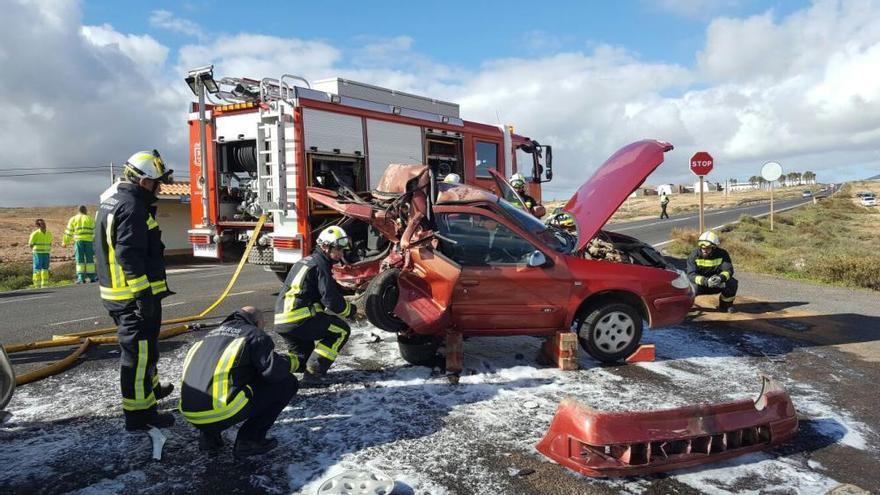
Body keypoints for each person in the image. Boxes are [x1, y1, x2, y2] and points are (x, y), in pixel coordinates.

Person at [94, 150, 176, 431]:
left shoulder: (114, 200)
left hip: (121, 295)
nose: (159, 188)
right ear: (143, 182)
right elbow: (128, 255)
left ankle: (151, 390)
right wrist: (143, 296)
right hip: (132, 298)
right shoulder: (131, 208)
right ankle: (140, 415)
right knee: (138, 358)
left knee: (146, 350)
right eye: (157, 183)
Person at [179, 306, 298, 457]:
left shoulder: (206, 337)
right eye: (263, 325)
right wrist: (291, 362)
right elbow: (274, 373)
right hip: (220, 412)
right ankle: (249, 441)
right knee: (287, 383)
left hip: (190, 413)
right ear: (257, 322)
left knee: (217, 381)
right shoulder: (254, 335)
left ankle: (209, 438)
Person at [274, 226, 357, 378]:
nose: (341, 253)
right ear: (325, 246)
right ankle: (314, 373)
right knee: (341, 331)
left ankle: (268, 366)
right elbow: (330, 300)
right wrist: (350, 310)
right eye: (338, 248)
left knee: (300, 360)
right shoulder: (321, 265)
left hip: (283, 321)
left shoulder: (307, 261)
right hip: (299, 319)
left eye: (343, 249)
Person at [686, 231, 738, 312]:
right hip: (700, 285)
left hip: (717, 283)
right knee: (691, 288)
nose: (704, 250)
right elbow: (691, 274)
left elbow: (728, 270)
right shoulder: (694, 255)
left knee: (732, 283)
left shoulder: (722, 254)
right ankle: (685, 307)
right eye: (702, 248)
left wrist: (720, 278)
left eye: (708, 248)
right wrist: (706, 281)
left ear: (714, 247)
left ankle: (725, 306)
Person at [62, 205, 97, 283]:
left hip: (78, 241)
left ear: (78, 211)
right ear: (85, 211)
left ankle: (81, 278)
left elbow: (69, 232)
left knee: (79, 259)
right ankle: (92, 277)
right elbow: (95, 232)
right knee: (90, 260)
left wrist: (65, 242)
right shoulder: (90, 219)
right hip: (89, 242)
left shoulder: (73, 219)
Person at [28, 219, 52, 288]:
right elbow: (30, 244)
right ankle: (37, 285)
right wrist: (35, 250)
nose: (44, 225)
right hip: (38, 253)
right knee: (37, 269)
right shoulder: (35, 234)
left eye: (44, 223)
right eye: (42, 224)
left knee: (45, 269)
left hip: (46, 253)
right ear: (38, 226)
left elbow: (50, 242)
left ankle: (45, 284)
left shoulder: (49, 233)